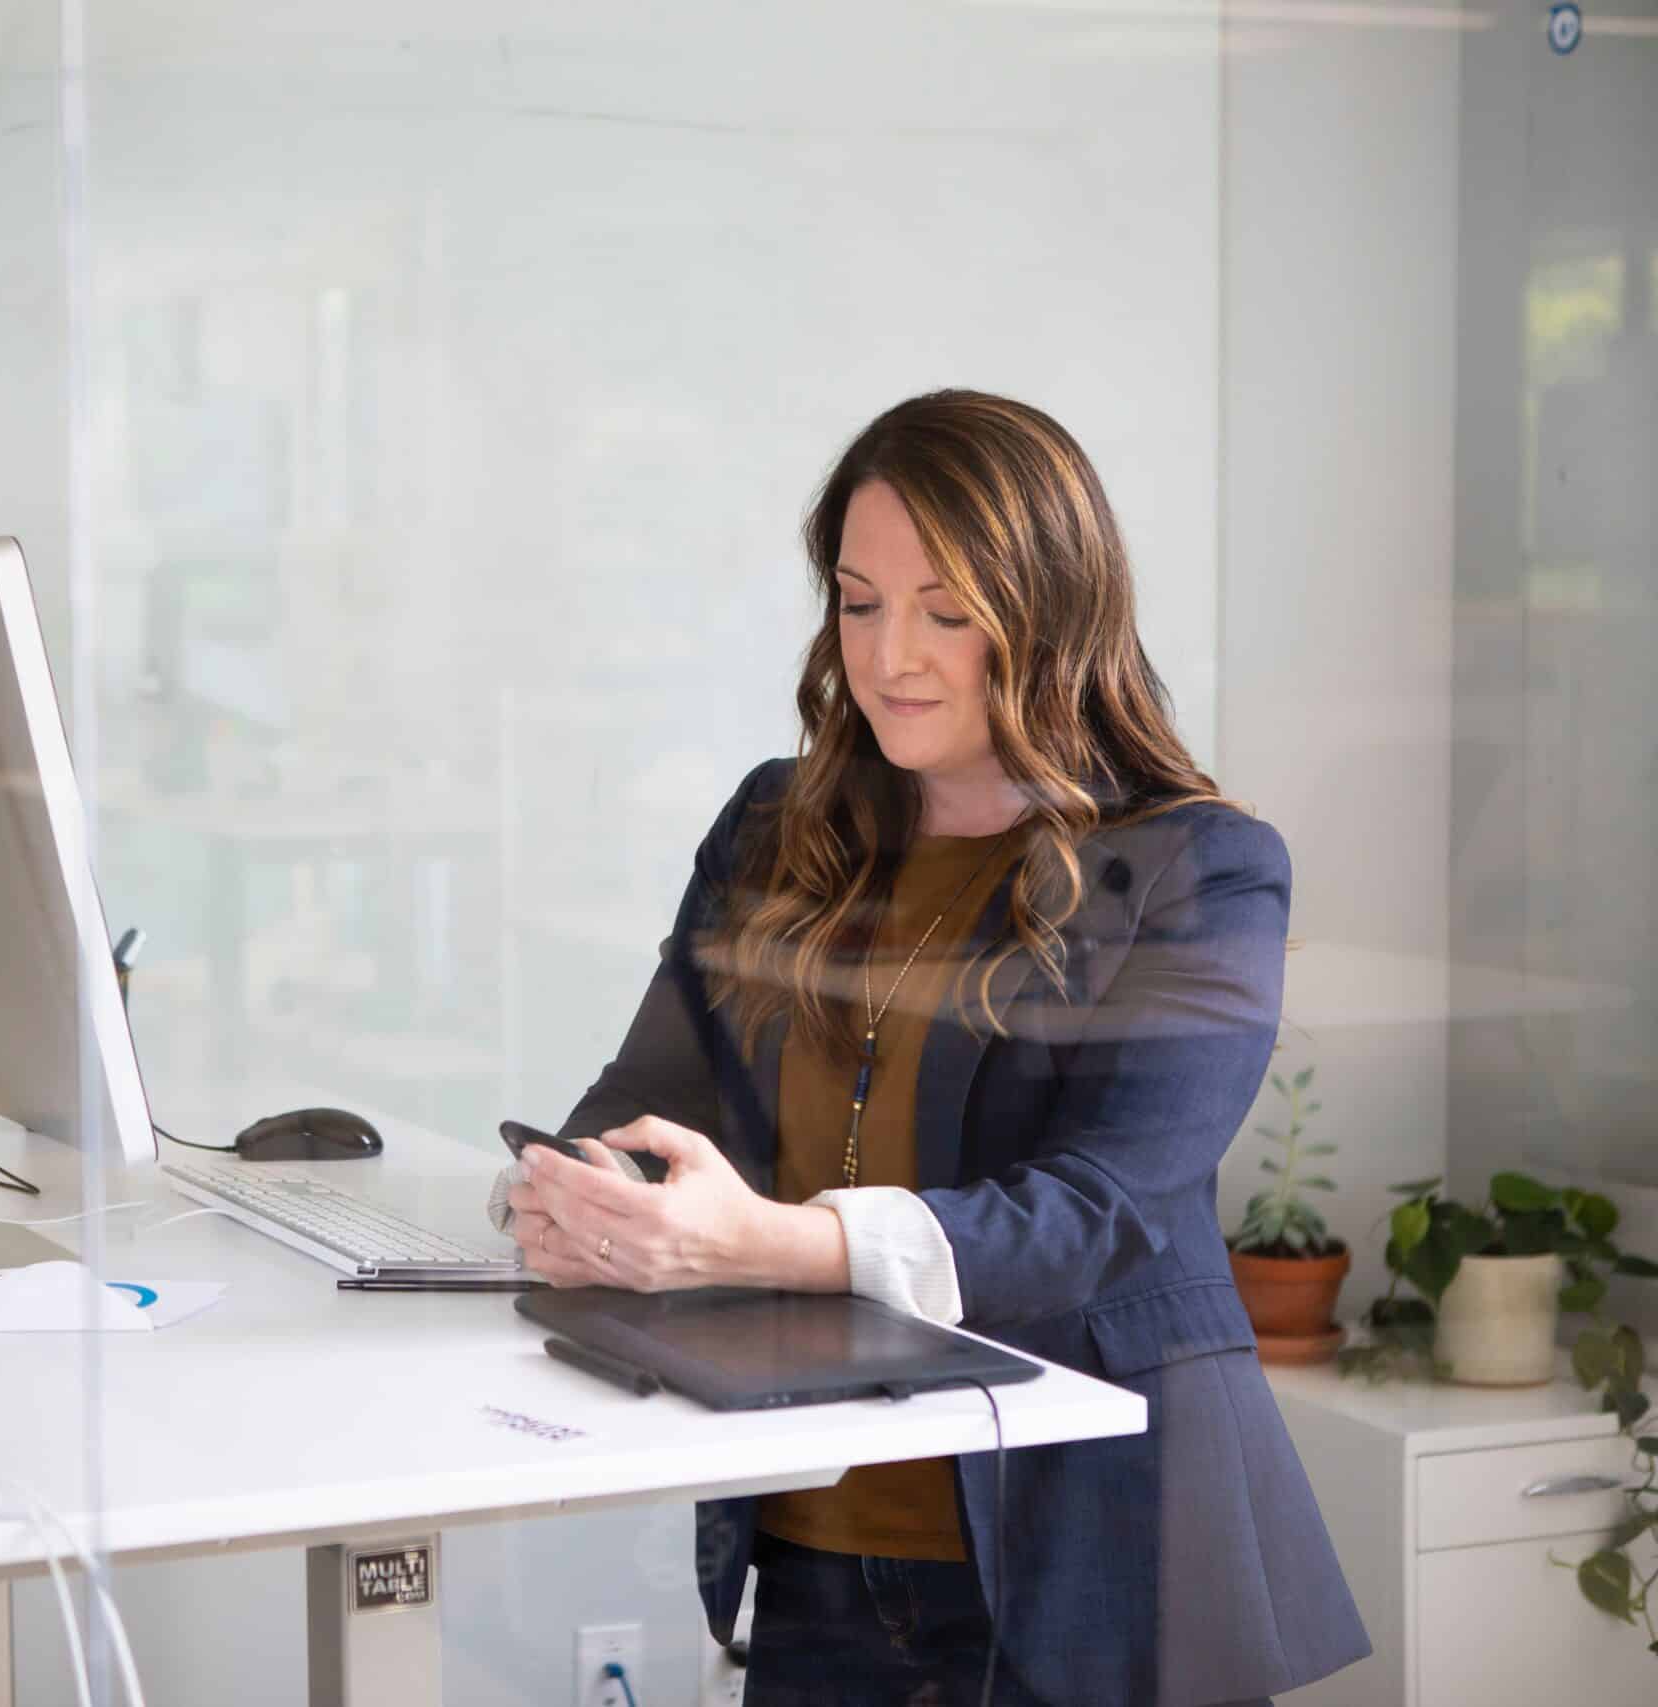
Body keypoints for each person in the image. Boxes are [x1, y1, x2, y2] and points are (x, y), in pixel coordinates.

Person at [495, 391, 1368, 1707]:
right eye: (859, 602)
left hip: (1095, 1560)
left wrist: (753, 1241)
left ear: (1052, 612)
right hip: (814, 1550)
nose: (891, 654)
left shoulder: (1201, 866)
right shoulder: (772, 828)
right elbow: (643, 1107)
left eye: (947, 611)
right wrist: (575, 1197)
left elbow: (1100, 1215)